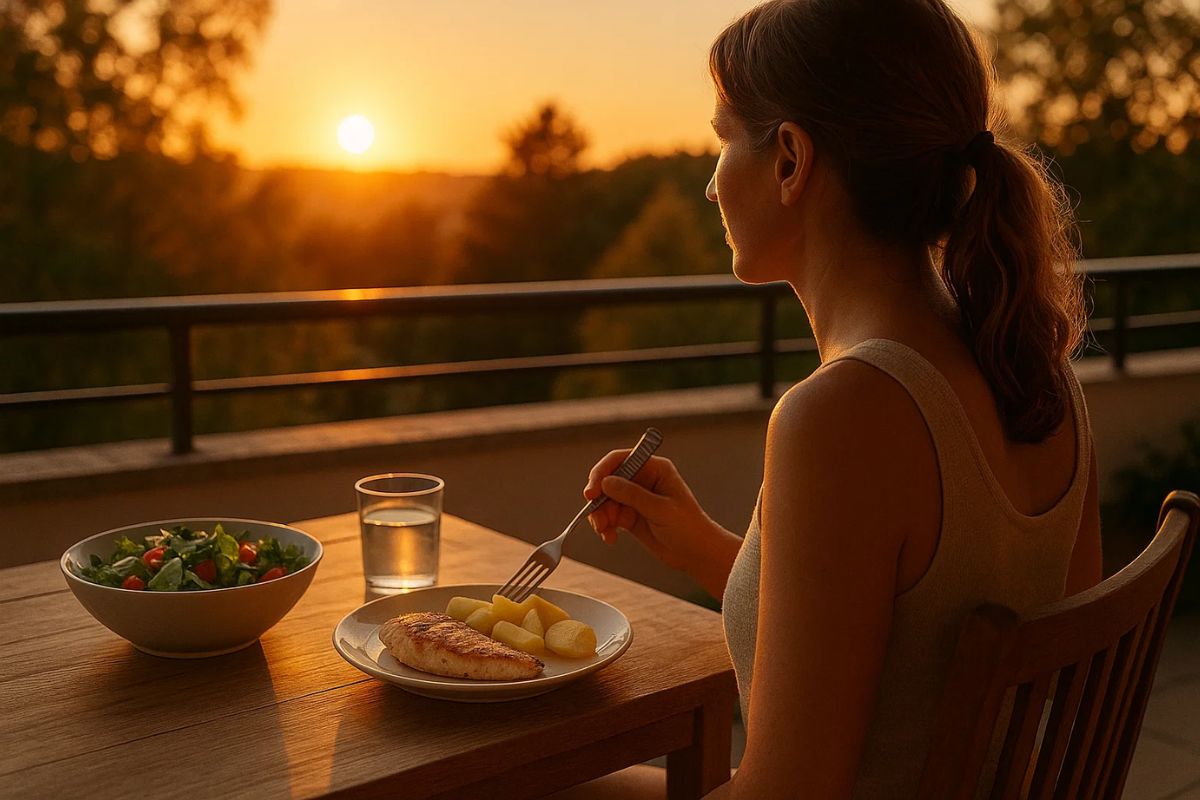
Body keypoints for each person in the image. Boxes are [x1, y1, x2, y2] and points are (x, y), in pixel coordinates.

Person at [548, 0, 1102, 797]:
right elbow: (898, 634)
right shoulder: (1041, 379)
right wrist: (699, 542)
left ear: (789, 161)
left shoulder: (846, 416)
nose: (709, 187)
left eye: (720, 142)